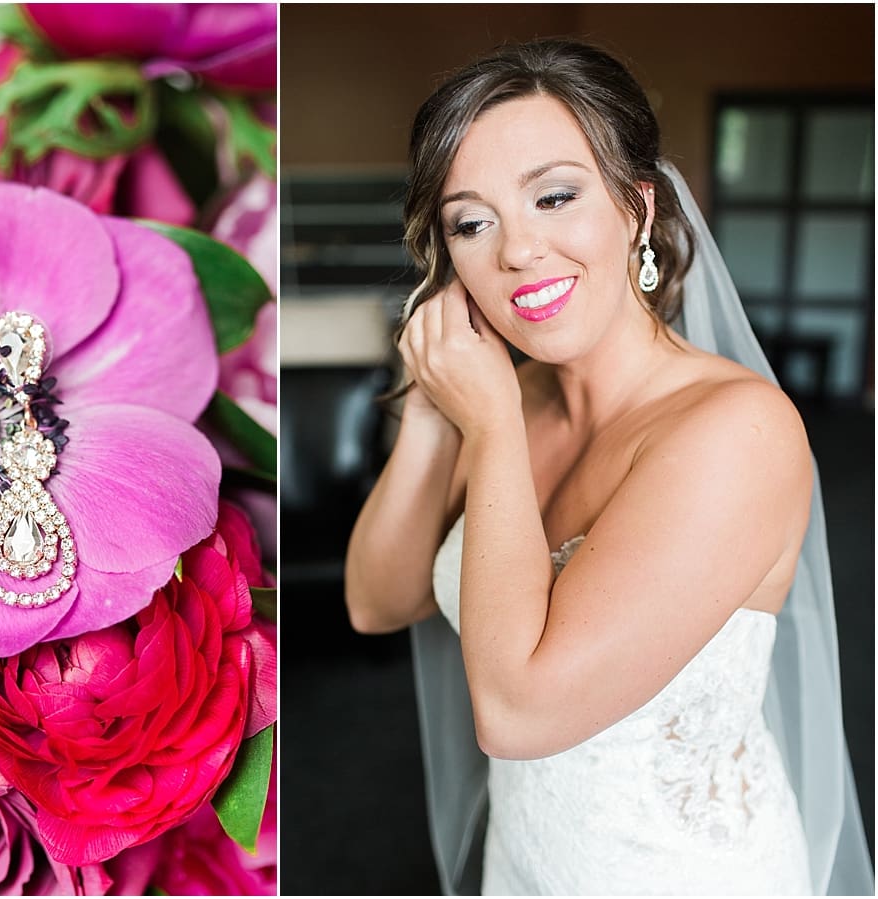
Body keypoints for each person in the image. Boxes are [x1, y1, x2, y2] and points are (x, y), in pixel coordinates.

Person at [344, 39, 872, 895]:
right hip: (525, 862)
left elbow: (518, 712)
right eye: (471, 222)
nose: (517, 251)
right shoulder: (506, 402)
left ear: (636, 207)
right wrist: (436, 412)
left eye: (555, 196)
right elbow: (376, 601)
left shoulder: (737, 431)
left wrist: (491, 423)